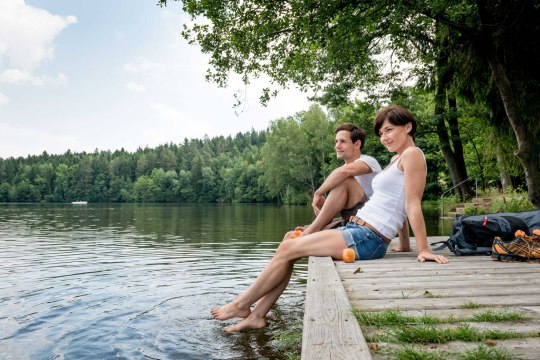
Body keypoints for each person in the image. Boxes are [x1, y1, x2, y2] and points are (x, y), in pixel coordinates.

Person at [211, 105, 449, 332]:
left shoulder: (413, 154)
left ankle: (242, 305)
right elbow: (397, 205)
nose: (384, 137)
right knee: (288, 249)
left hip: (367, 236)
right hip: (359, 231)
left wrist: (424, 248)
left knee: (286, 249)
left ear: (407, 127)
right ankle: (256, 316)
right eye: (380, 133)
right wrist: (405, 244)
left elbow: (412, 202)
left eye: (389, 130)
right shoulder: (396, 159)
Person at [285, 123, 382, 238]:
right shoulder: (344, 171)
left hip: (369, 223)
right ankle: (311, 230)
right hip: (349, 221)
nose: (337, 146)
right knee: (291, 235)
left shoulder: (368, 161)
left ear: (357, 144)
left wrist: (318, 193)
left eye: (342, 141)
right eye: (336, 141)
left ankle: (311, 231)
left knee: (344, 180)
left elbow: (343, 172)